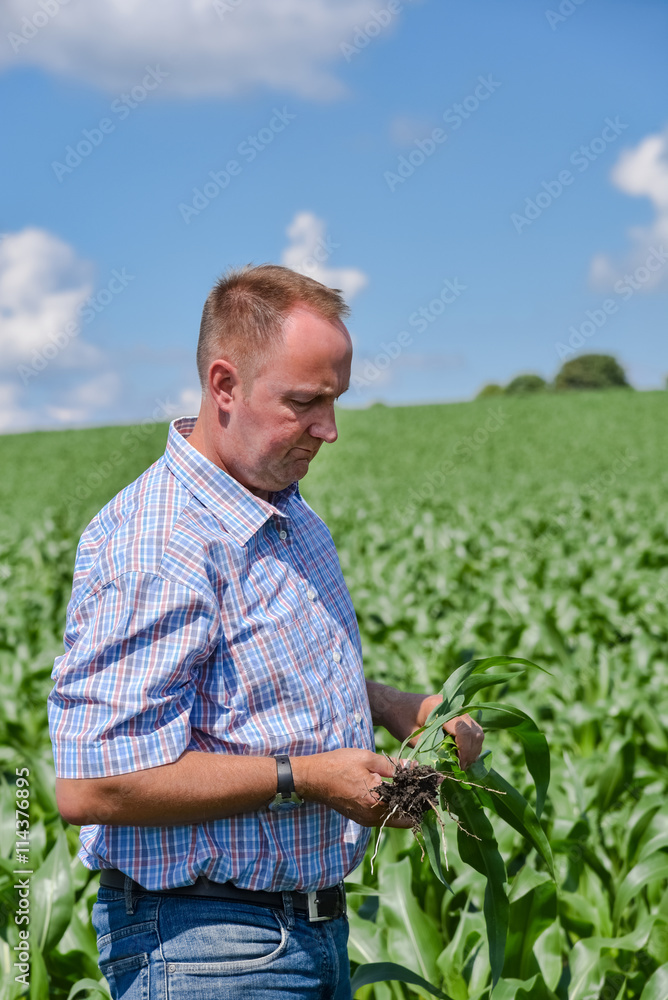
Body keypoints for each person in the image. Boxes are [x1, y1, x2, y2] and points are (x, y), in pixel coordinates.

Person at [48, 263, 484, 1000]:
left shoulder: (283, 506)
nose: (331, 430)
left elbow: (246, 676)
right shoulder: (160, 543)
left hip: (310, 930)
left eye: (336, 401)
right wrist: (308, 777)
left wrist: (392, 707)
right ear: (225, 386)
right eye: (306, 404)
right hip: (206, 948)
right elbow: (96, 785)